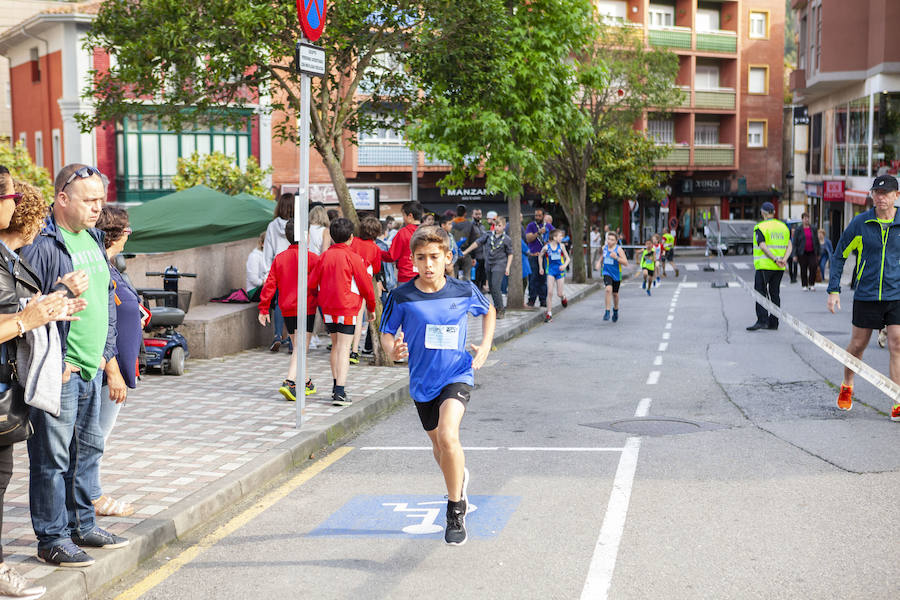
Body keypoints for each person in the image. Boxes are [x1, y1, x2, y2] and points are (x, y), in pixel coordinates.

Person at [21, 163, 127, 567]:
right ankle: (52, 538)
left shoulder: (95, 238)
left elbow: (106, 301)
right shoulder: (43, 242)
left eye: (101, 199)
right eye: (89, 200)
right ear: (62, 199)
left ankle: (82, 524)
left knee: (87, 451)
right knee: (51, 459)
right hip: (60, 370)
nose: (98, 207)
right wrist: (57, 360)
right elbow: (31, 309)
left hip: (91, 368)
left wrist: (106, 356)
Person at [380, 225, 496, 545]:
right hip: (422, 382)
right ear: (413, 260)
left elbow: (489, 312)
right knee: (439, 447)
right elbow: (386, 333)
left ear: (448, 257)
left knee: (448, 435)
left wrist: (485, 344)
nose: (428, 264)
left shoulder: (463, 290)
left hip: (456, 374)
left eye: (434, 257)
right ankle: (458, 477)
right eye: (421, 258)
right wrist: (392, 350)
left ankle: (455, 509)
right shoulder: (401, 296)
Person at [0, 170, 85, 598]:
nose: (16, 203)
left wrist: (52, 307)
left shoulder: (6, 257)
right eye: (12, 195)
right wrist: (27, 319)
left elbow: (21, 309)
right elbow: (14, 317)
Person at [827, 175, 900, 421]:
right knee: (858, 345)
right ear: (872, 196)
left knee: (897, 344)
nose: (881, 197)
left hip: (896, 294)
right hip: (867, 294)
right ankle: (847, 384)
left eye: (887, 193)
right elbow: (839, 255)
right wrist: (834, 290)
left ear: (896, 196)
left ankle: (897, 398)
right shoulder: (861, 223)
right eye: (877, 193)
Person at [91, 205, 144, 519]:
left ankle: (88, 494)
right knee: (96, 437)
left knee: (96, 436)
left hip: (116, 366)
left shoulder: (111, 267)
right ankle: (92, 496)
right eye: (128, 230)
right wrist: (112, 369)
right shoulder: (101, 268)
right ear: (120, 234)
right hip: (105, 369)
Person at [309, 218, 376, 406]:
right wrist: (371, 307)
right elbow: (366, 285)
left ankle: (335, 385)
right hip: (348, 306)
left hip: (328, 306)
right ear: (351, 237)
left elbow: (312, 283)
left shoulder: (324, 257)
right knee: (344, 348)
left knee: (336, 345)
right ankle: (340, 390)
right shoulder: (353, 257)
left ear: (331, 236)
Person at [259, 219, 319, 401]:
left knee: (299, 347)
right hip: (306, 307)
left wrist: (263, 308)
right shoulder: (313, 258)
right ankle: (290, 382)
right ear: (306, 236)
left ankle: (306, 381)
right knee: (301, 348)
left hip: (286, 307)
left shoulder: (280, 258)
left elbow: (270, 284)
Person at [747, 201, 791, 331]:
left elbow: (762, 245)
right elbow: (790, 245)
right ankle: (774, 322)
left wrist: (775, 258)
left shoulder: (760, 227)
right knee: (774, 293)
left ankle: (762, 320)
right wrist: (784, 259)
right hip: (779, 268)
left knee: (760, 293)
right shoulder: (783, 227)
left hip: (765, 266)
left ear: (763, 213)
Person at [461, 215, 513, 319]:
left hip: (500, 264)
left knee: (495, 285)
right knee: (492, 288)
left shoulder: (507, 239)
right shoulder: (488, 235)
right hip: (489, 264)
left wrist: (507, 267)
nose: (497, 228)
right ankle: (497, 307)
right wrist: (465, 252)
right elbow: (477, 243)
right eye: (496, 225)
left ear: (503, 227)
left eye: (499, 226)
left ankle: (501, 309)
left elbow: (510, 253)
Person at [349, 216, 384, 364]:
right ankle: (354, 351)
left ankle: (344, 347)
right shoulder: (375, 248)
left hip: (347, 280)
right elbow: (376, 268)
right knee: (358, 318)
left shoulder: (353, 241)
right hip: (362, 284)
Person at [263, 194, 293, 353]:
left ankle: (277, 335)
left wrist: (268, 273)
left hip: (278, 265)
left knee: (279, 303)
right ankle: (291, 337)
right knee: (295, 304)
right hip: (295, 264)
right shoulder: (297, 224)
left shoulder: (272, 225)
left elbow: (267, 251)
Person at [381, 201, 422, 284]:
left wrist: (376, 251)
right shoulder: (428, 231)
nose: (403, 218)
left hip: (406, 276)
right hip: (424, 275)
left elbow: (392, 256)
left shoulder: (403, 232)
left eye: (403, 215)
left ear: (410, 216)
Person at [594, 231, 628, 322]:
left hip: (616, 274)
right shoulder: (604, 247)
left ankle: (615, 310)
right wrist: (598, 263)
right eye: (608, 239)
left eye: (612, 240)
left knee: (615, 294)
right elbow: (602, 257)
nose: (609, 241)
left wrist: (616, 257)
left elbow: (626, 263)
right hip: (606, 272)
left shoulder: (619, 249)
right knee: (608, 289)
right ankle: (607, 311)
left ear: (616, 241)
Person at [538, 228, 569, 322]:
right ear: (554, 237)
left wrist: (564, 265)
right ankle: (549, 313)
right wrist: (541, 267)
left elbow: (568, 258)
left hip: (560, 271)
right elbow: (540, 256)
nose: (562, 238)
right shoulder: (546, 247)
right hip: (550, 271)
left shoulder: (562, 246)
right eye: (560, 236)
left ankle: (563, 297)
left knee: (559, 293)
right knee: (550, 292)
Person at [525, 207, 553, 308]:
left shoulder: (548, 226)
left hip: (545, 257)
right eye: (536, 215)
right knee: (532, 278)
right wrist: (538, 233)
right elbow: (528, 239)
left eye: (539, 215)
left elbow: (555, 239)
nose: (537, 217)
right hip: (534, 255)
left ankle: (543, 300)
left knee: (543, 279)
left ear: (543, 216)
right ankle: (531, 299)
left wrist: (549, 242)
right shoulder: (531, 225)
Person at [792, 212, 821, 291]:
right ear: (802, 219)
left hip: (812, 251)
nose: (807, 220)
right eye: (805, 218)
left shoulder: (813, 228)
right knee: (803, 268)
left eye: (808, 218)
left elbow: (817, 241)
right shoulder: (798, 229)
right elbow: (794, 242)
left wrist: (818, 253)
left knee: (813, 266)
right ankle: (804, 285)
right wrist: (794, 255)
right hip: (802, 252)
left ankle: (811, 284)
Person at [450, 205, 478, 282]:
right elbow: (473, 241)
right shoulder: (469, 224)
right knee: (467, 277)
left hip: (453, 254)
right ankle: (466, 292)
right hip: (466, 252)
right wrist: (473, 257)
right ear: (465, 213)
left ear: (456, 213)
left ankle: (454, 293)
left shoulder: (450, 224)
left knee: (453, 277)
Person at [245, 231, 267, 300]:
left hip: (267, 287)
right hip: (254, 291)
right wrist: (266, 282)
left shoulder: (270, 255)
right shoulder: (254, 256)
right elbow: (253, 279)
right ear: (262, 244)